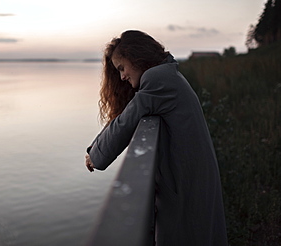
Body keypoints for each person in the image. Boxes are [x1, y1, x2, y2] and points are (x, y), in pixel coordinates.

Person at [85, 30, 228, 245]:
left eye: (122, 68)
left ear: (136, 57)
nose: (122, 76)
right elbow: (127, 114)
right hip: (192, 178)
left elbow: (127, 119)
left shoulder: (158, 79)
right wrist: (94, 147)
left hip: (188, 186)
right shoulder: (167, 75)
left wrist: (94, 155)